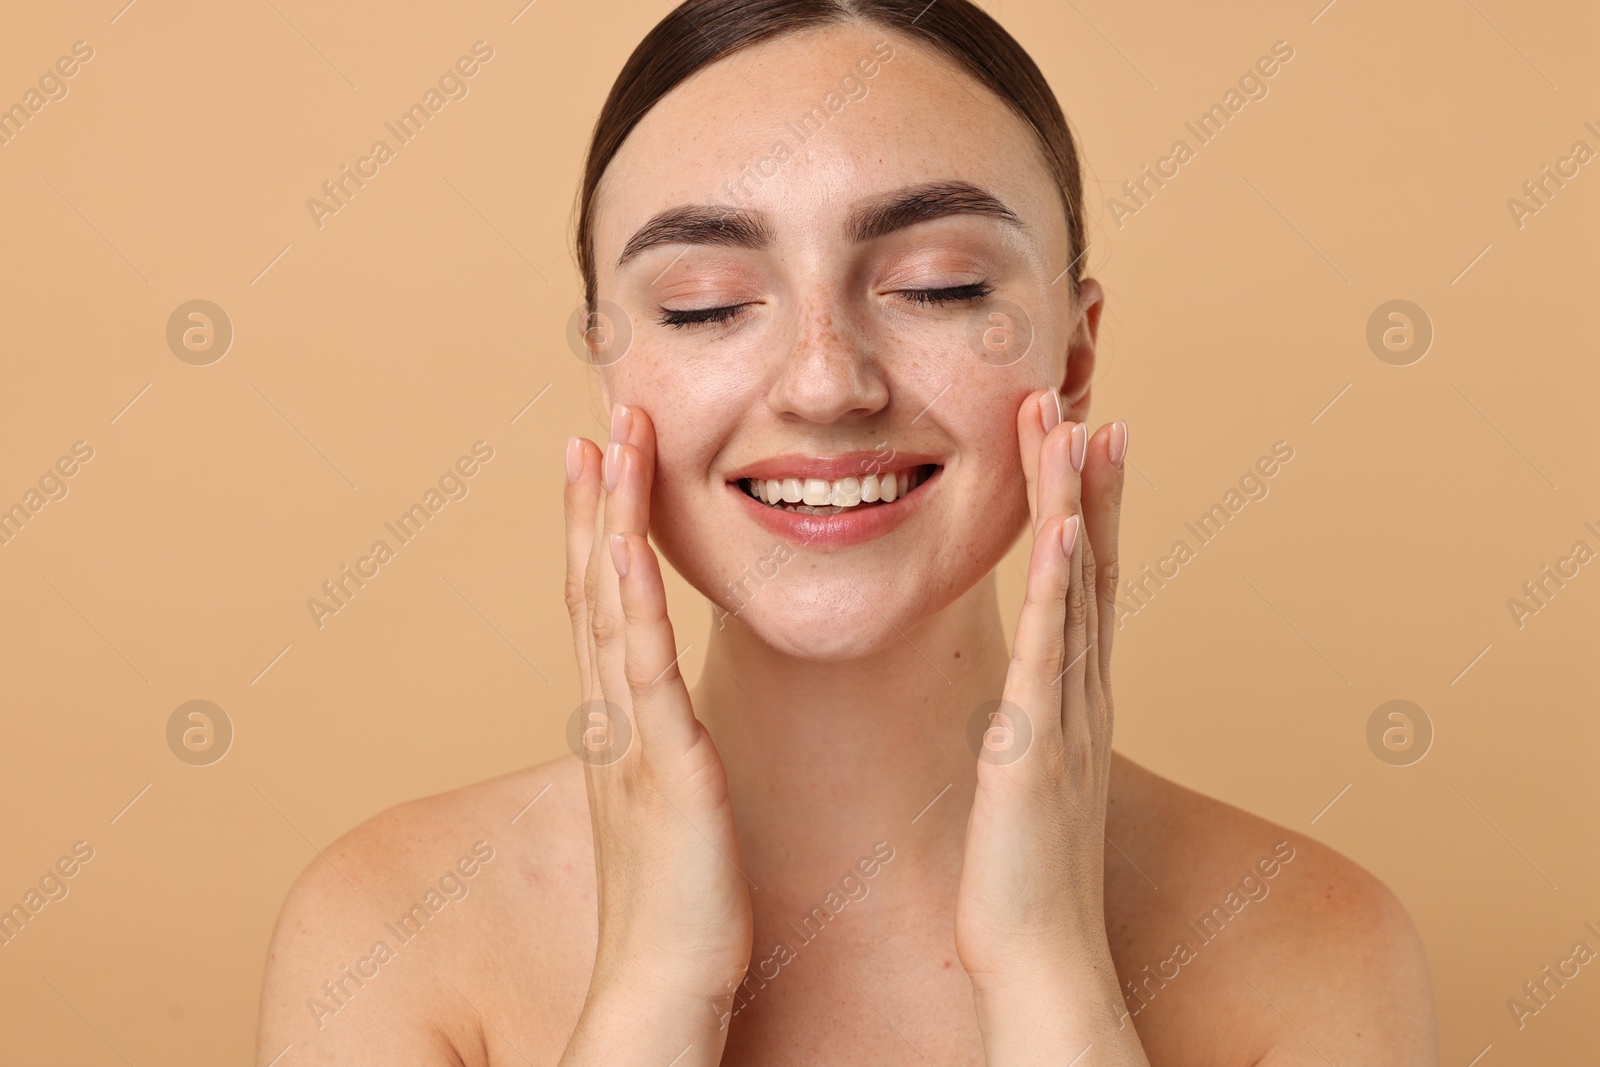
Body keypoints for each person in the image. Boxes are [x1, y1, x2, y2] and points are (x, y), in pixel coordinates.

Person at [258, 2, 1438, 1062]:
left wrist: (1050, 975)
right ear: (611, 362)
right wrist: (652, 990)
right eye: (703, 304)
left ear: (1073, 354)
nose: (824, 384)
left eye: (936, 285)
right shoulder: (391, 927)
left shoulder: (1314, 943)